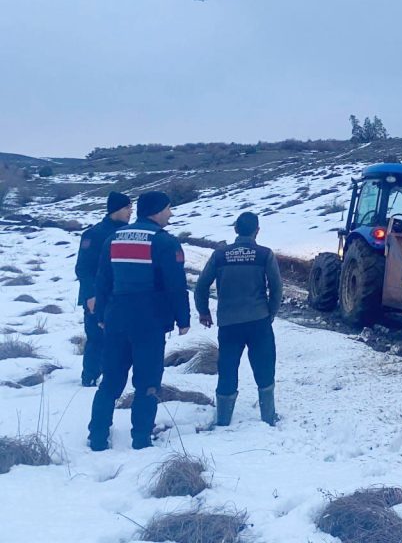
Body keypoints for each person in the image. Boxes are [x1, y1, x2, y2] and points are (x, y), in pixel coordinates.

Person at [87, 191, 191, 451]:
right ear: (156, 211)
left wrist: (101, 315)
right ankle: (141, 438)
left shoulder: (113, 238)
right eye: (168, 208)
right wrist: (182, 318)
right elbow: (175, 285)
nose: (171, 213)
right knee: (147, 382)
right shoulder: (164, 242)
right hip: (149, 321)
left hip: (116, 318)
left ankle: (98, 437)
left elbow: (102, 280)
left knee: (110, 380)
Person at [195, 212, 283, 427]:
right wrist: (270, 312)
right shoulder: (264, 254)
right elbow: (277, 287)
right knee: (264, 366)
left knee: (227, 367)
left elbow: (201, 285)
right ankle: (268, 416)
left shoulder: (220, 255)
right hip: (258, 320)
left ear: (235, 229)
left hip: (229, 323)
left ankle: (224, 419)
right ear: (257, 231)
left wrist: (204, 311)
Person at [74, 192, 132, 387]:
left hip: (122, 295)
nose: (130, 211)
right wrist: (90, 295)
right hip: (97, 296)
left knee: (120, 339)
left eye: (130, 207)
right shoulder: (94, 234)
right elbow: (83, 268)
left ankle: (113, 376)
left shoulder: (131, 233)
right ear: (114, 209)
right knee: (96, 338)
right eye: (126, 207)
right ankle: (89, 376)